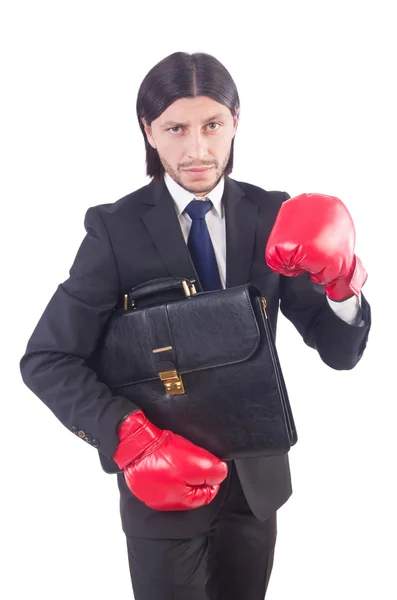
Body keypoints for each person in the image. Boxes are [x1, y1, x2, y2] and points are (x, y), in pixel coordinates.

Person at [19, 51, 372, 600]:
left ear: (236, 121)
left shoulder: (273, 215)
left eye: (213, 125)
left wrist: (344, 284)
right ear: (148, 131)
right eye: (176, 129)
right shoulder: (115, 230)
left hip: (255, 487)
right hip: (160, 486)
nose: (198, 149)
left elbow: (339, 351)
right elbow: (47, 358)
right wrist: (131, 440)